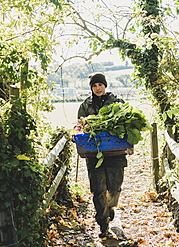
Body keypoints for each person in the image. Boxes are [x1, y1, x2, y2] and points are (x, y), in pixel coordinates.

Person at [77, 72, 127, 238]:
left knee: (114, 187)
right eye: (95, 85)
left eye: (100, 85)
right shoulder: (85, 106)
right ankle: (103, 223)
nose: (98, 88)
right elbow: (80, 126)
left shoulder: (117, 103)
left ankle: (110, 207)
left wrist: (129, 144)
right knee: (98, 190)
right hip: (94, 154)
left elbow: (127, 124)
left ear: (105, 86)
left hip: (115, 153)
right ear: (91, 88)